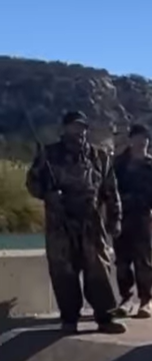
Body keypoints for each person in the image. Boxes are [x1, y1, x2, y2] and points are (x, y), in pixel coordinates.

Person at [25, 111, 126, 334]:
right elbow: (32, 183)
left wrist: (115, 219)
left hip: (92, 223)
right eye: (73, 127)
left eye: (82, 127)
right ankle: (69, 319)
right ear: (64, 129)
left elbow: (111, 190)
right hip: (60, 224)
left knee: (99, 270)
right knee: (63, 273)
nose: (78, 132)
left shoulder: (99, 157)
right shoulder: (48, 154)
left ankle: (105, 318)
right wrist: (48, 193)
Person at [113, 124, 152, 318]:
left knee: (143, 262)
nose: (141, 142)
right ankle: (126, 299)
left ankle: (145, 300)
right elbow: (107, 192)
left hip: (143, 218)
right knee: (122, 262)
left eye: (145, 138)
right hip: (121, 218)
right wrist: (108, 219)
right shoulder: (118, 164)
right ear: (130, 140)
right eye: (137, 137)